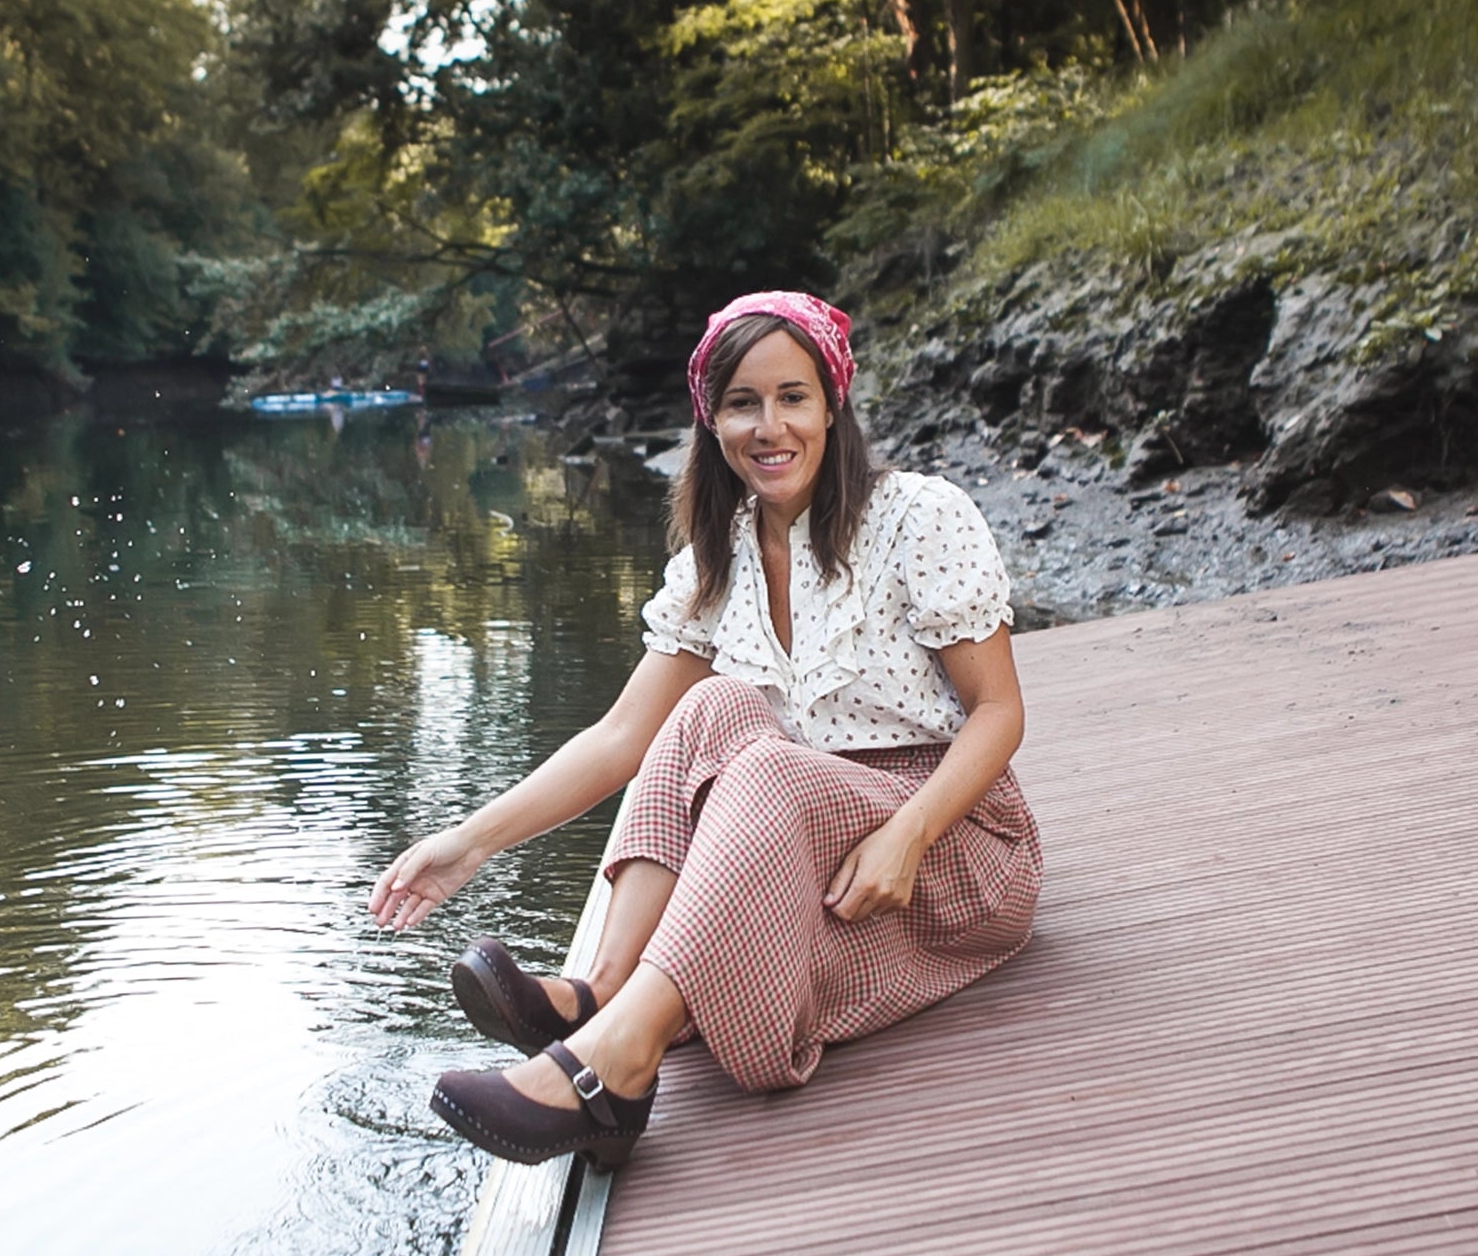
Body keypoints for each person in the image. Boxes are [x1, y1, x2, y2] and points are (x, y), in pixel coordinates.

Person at [368, 291, 1041, 1171]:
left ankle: (615, 1065)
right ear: (710, 421)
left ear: (832, 404)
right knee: (709, 710)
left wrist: (910, 831)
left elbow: (999, 713)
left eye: (792, 396)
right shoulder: (713, 563)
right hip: (803, 838)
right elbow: (621, 737)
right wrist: (469, 843)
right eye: (741, 403)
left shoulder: (917, 519)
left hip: (950, 842)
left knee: (765, 766)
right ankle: (602, 993)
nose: (771, 427)